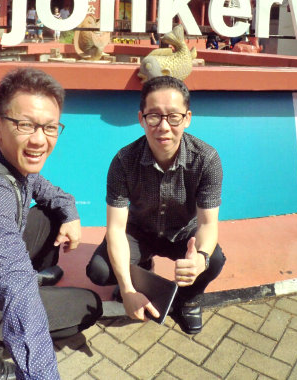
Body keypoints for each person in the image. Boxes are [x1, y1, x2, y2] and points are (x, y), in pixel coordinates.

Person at [0, 68, 102, 380]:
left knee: (49, 216)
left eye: (50, 128)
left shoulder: (4, 156)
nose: (39, 140)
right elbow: (16, 289)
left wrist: (70, 214)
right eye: (26, 125)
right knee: (89, 306)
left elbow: (51, 192)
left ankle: (35, 277)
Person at [86, 76, 225, 335]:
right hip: (139, 231)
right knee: (100, 271)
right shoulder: (123, 161)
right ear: (141, 118)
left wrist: (200, 259)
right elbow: (115, 229)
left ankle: (188, 299)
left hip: (184, 233)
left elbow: (208, 223)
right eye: (154, 116)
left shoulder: (206, 159)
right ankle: (142, 271)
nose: (163, 127)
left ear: (187, 118)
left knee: (214, 259)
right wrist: (127, 289)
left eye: (174, 117)